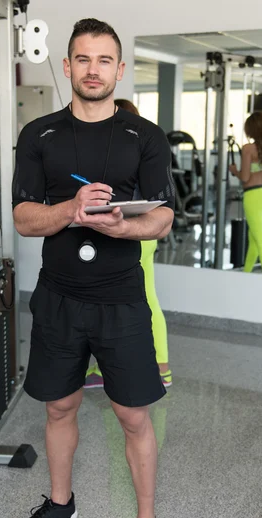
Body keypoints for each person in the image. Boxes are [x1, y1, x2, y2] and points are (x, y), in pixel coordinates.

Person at [10, 18, 175, 518]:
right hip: (58, 297)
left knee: (133, 416)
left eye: (104, 60)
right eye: (82, 59)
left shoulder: (145, 137)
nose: (93, 70)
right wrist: (72, 212)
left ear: (119, 69)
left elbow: (161, 218)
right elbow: (25, 218)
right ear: (67, 66)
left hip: (121, 300)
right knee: (59, 407)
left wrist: (115, 227)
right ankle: (60, 503)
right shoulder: (39, 135)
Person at [84, 98, 172, 390]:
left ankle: (159, 369)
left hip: (133, 233)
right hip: (139, 233)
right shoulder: (136, 151)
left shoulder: (127, 153)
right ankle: (119, 367)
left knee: (137, 299)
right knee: (140, 298)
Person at [229, 111, 262, 275]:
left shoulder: (248, 148)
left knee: (261, 241)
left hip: (253, 197)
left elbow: (245, 177)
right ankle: (247, 273)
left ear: (251, 129)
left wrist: (235, 171)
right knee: (255, 239)